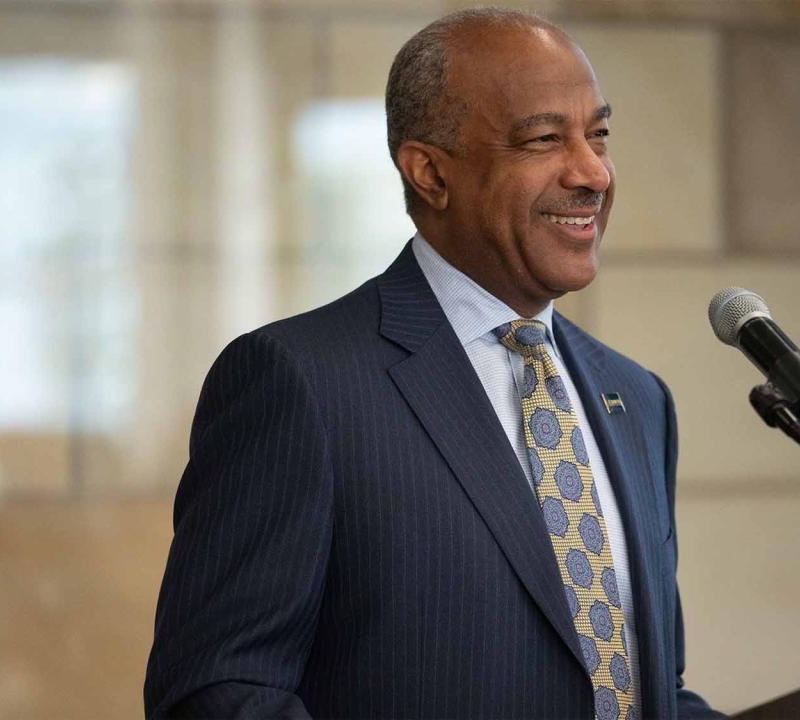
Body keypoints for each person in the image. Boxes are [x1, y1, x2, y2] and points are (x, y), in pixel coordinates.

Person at [144, 8, 720, 719]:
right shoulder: (300, 383)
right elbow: (219, 692)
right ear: (430, 173)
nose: (593, 172)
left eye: (597, 134)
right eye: (544, 139)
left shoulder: (637, 398)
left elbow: (650, 690)